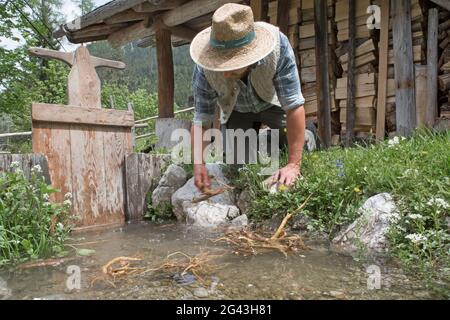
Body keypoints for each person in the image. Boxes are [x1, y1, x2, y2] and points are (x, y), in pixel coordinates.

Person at [189, 3, 309, 192]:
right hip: (236, 109)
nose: (226, 74)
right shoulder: (203, 69)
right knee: (237, 168)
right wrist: (199, 164)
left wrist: (294, 164)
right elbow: (201, 120)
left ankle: (302, 136)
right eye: (222, 65)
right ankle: (267, 142)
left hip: (273, 103)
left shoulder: (278, 47)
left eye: (232, 65)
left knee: (302, 154)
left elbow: (293, 105)